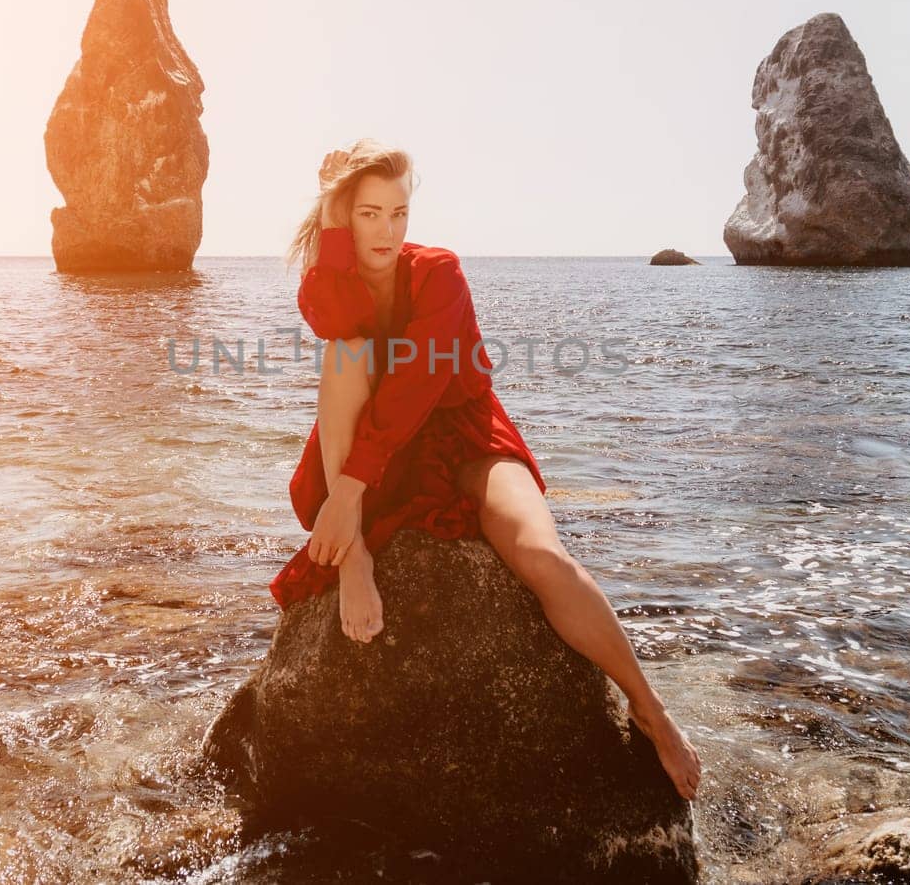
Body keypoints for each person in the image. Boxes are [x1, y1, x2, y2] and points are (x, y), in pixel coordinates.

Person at [272, 139, 702, 802]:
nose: (386, 230)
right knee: (342, 354)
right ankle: (353, 555)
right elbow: (334, 322)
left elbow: (417, 385)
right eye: (367, 214)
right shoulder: (337, 278)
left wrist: (348, 490)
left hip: (466, 433)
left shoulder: (440, 272)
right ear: (343, 217)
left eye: (398, 213)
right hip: (384, 448)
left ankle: (649, 705)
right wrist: (331, 228)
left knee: (542, 554)